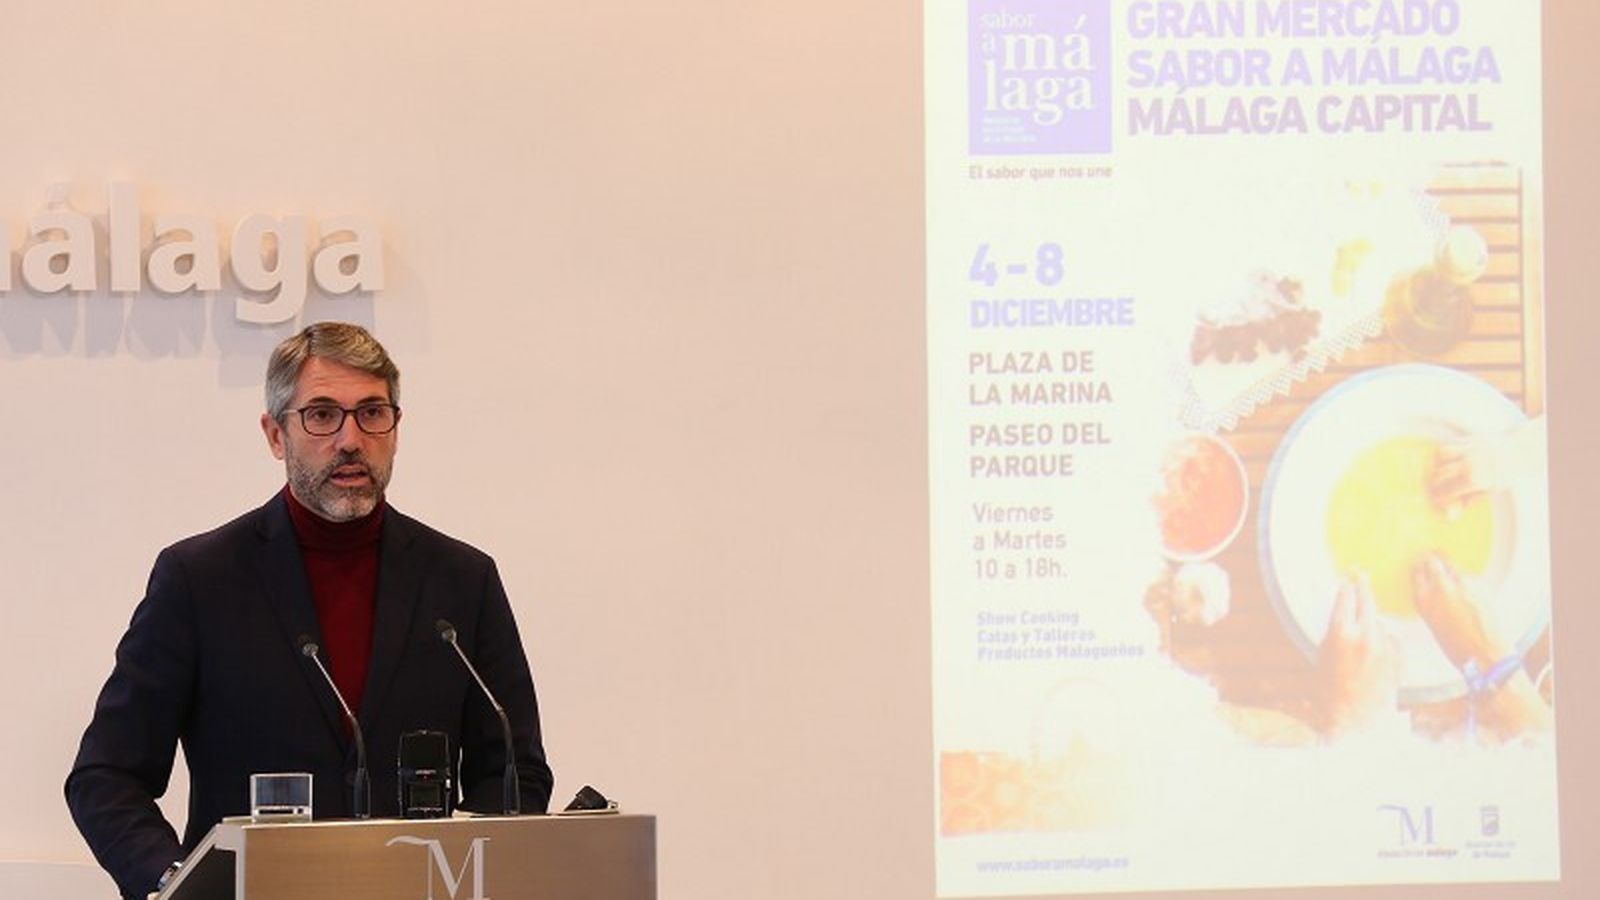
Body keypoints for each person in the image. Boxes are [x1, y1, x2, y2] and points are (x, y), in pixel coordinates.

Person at [65, 322, 554, 900]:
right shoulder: (199, 579)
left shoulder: (462, 580)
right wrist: (176, 882)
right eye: (322, 415)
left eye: (372, 413)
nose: (351, 439)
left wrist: (462, 875)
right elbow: (107, 775)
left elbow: (515, 770)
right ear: (276, 435)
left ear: (396, 430)